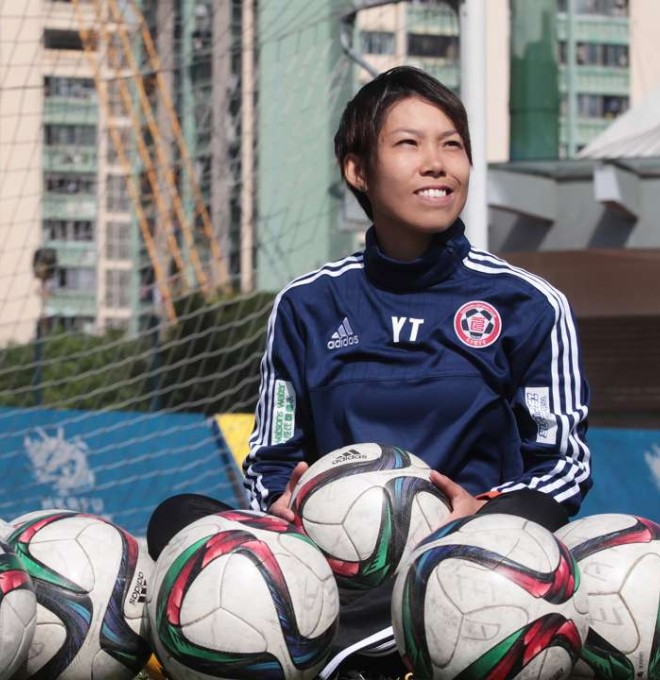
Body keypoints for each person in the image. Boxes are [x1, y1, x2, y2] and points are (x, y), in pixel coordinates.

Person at [238, 66, 591, 679]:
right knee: (179, 520)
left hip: (476, 568)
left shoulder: (529, 305)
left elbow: (563, 465)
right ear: (357, 169)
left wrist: (480, 512)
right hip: (334, 572)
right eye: (409, 144)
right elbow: (270, 455)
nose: (437, 163)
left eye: (451, 144)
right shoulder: (307, 305)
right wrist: (286, 501)